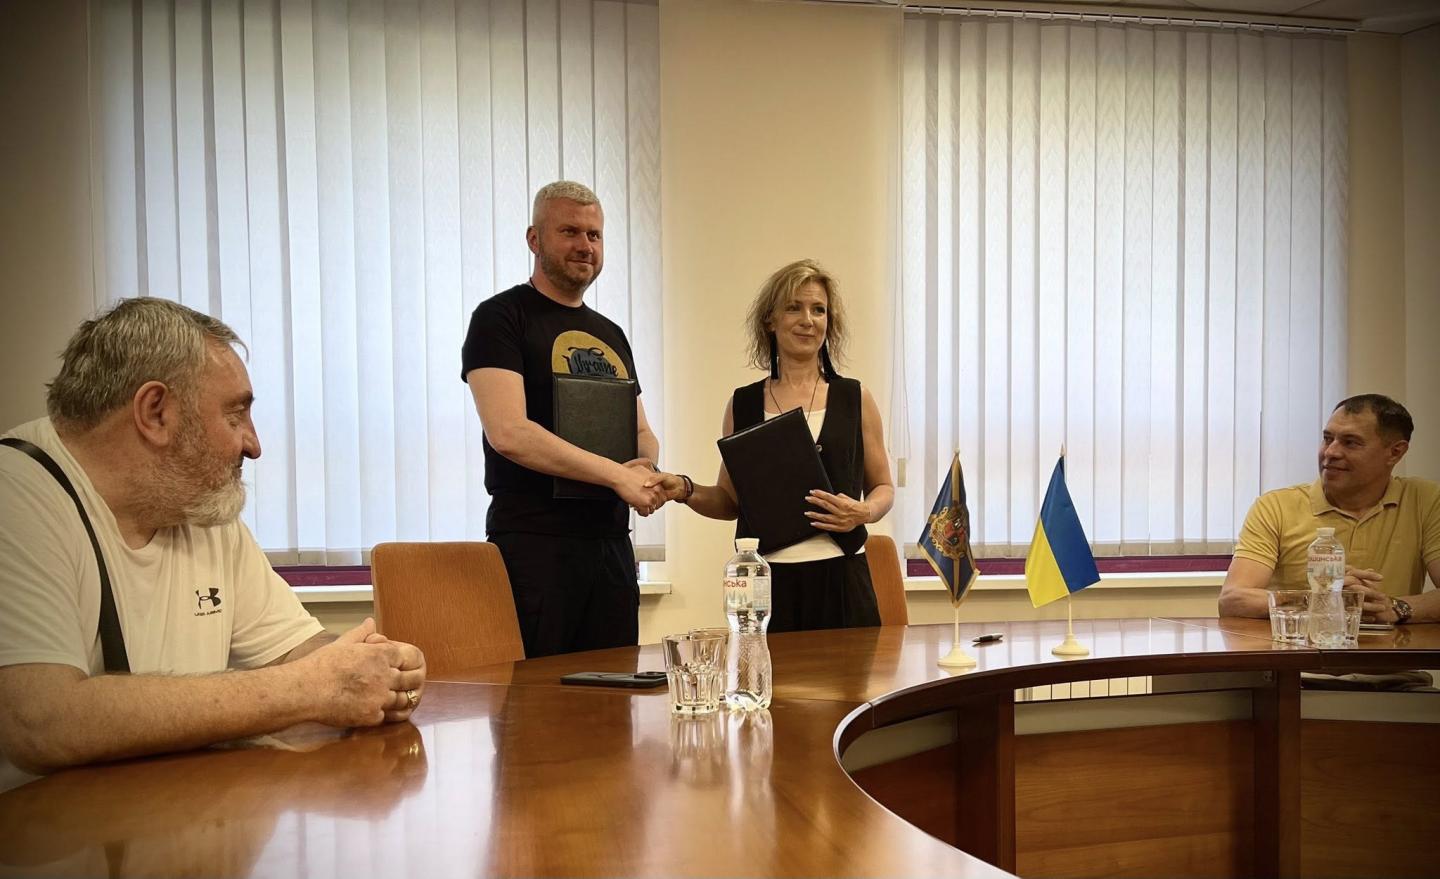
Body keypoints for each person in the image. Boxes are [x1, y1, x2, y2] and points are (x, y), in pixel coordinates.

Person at [0, 298, 427, 783]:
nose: (254, 444)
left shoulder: (199, 506)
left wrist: (376, 665)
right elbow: (39, 721)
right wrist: (309, 689)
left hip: (177, 809)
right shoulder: (16, 494)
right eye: (235, 415)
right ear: (155, 413)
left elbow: (300, 651)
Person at [462, 181, 665, 657]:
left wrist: (646, 471)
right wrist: (616, 475)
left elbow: (640, 431)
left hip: (612, 546)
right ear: (534, 239)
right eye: (570, 231)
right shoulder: (499, 318)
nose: (585, 246)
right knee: (537, 695)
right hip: (536, 546)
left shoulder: (611, 334)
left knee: (616, 691)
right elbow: (509, 433)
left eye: (594, 235)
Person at [659, 259, 894, 631]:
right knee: (768, 673)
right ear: (770, 320)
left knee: (856, 673)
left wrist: (863, 511)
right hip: (764, 583)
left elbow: (883, 487)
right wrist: (684, 489)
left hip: (843, 578)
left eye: (819, 310)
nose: (808, 320)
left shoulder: (855, 397)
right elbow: (729, 501)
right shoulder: (743, 404)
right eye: (794, 308)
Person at [1219, 394, 1440, 624]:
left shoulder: (1425, 500)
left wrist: (1395, 608)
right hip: (1302, 645)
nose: (1330, 452)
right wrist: (1321, 600)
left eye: (1350, 442)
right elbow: (1233, 599)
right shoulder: (1275, 506)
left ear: (1395, 453)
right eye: (1327, 438)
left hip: (1391, 645)